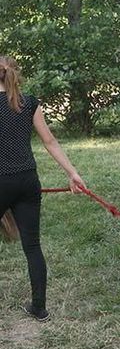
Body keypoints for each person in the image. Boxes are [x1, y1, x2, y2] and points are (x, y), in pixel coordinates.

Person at [0, 55, 86, 321]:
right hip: (28, 181)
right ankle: (39, 308)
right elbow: (49, 141)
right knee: (33, 246)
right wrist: (72, 173)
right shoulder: (29, 103)